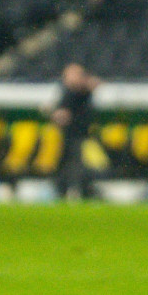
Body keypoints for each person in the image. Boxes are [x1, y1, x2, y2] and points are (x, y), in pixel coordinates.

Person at [50, 62, 99, 201]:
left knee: (79, 166)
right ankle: (63, 191)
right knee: (64, 165)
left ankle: (82, 191)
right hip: (66, 135)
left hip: (81, 135)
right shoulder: (66, 92)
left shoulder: (83, 92)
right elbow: (60, 113)